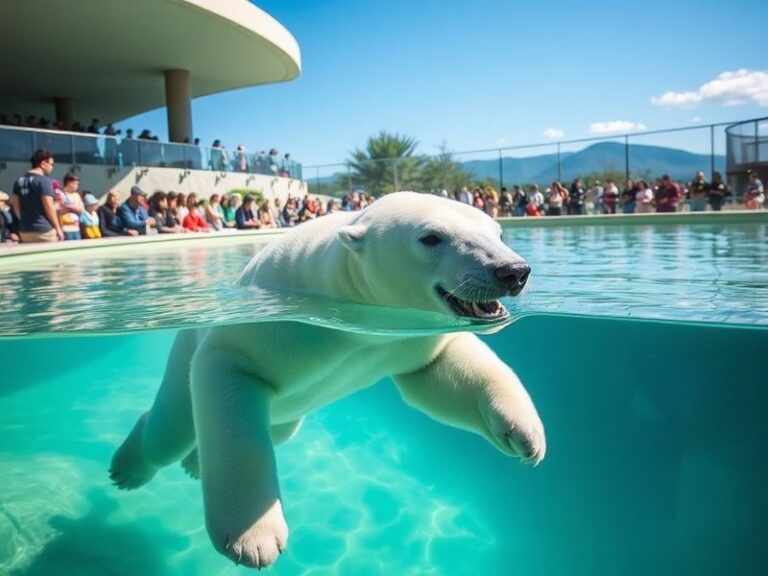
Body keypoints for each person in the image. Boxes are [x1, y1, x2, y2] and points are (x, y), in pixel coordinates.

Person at [11, 148, 63, 242]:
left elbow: (16, 207)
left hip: (25, 231)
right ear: (43, 164)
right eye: (51, 164)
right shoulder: (44, 181)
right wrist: (58, 229)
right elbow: (49, 206)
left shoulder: (19, 181)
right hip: (44, 231)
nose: (52, 167)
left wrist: (25, 220)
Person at [57, 172, 84, 240]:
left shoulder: (77, 195)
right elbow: (58, 210)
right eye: (75, 184)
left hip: (76, 228)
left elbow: (81, 209)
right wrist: (72, 207)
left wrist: (70, 206)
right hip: (65, 228)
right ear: (69, 183)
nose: (77, 186)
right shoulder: (60, 194)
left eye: (77, 184)